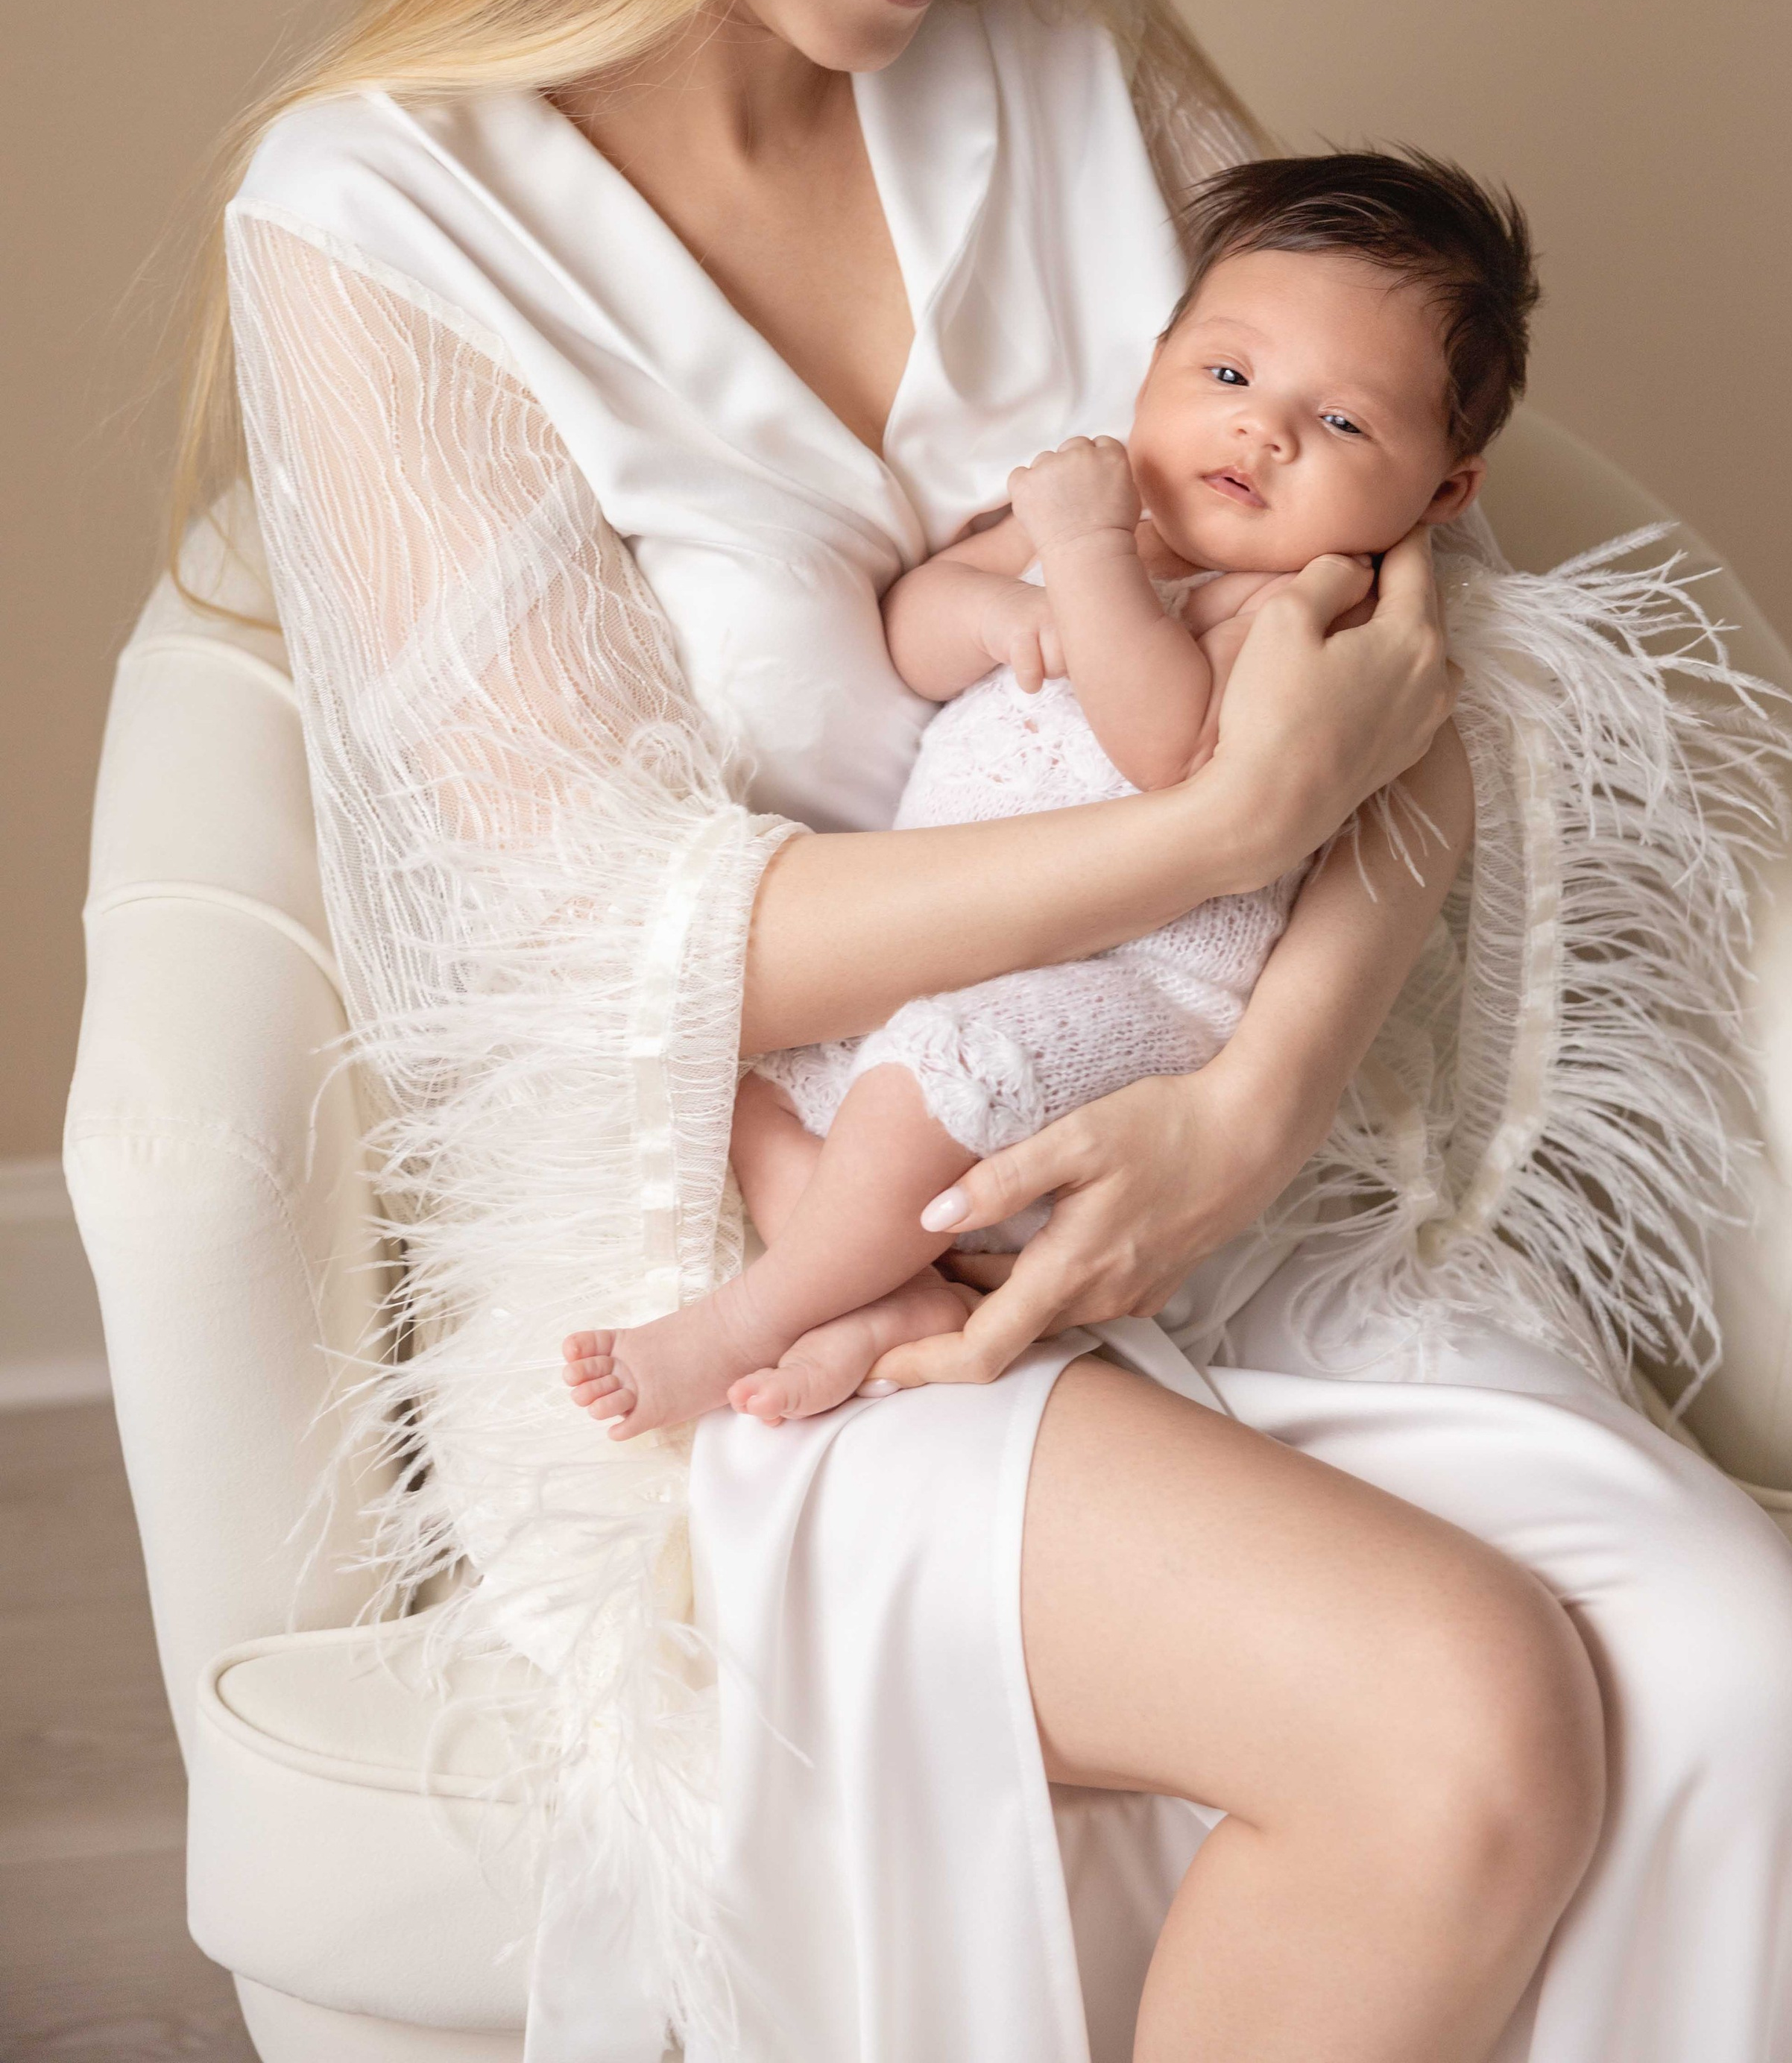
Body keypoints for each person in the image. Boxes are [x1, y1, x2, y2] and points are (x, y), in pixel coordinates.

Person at [181, 0, 1792, 2063]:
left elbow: (1427, 661)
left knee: (1737, 1678)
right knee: (1461, 1727)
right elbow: (600, 941)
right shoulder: (377, 216)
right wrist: (1200, 848)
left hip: (1211, 1191)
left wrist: (1255, 1097)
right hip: (778, 1257)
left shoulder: (1060, 70)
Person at [562, 151, 1532, 1437]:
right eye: (1228, 375)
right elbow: (913, 635)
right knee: (748, 1079)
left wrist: (1080, 563)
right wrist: (1010, 600)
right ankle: (890, 1302)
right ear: (1157, 362)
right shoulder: (1112, 514)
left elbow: (1171, 756)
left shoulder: (1306, 618)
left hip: (1132, 986)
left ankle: (755, 1318)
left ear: (1442, 492)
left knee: (919, 1091)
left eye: (1343, 423)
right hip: (963, 938)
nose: (1263, 431)